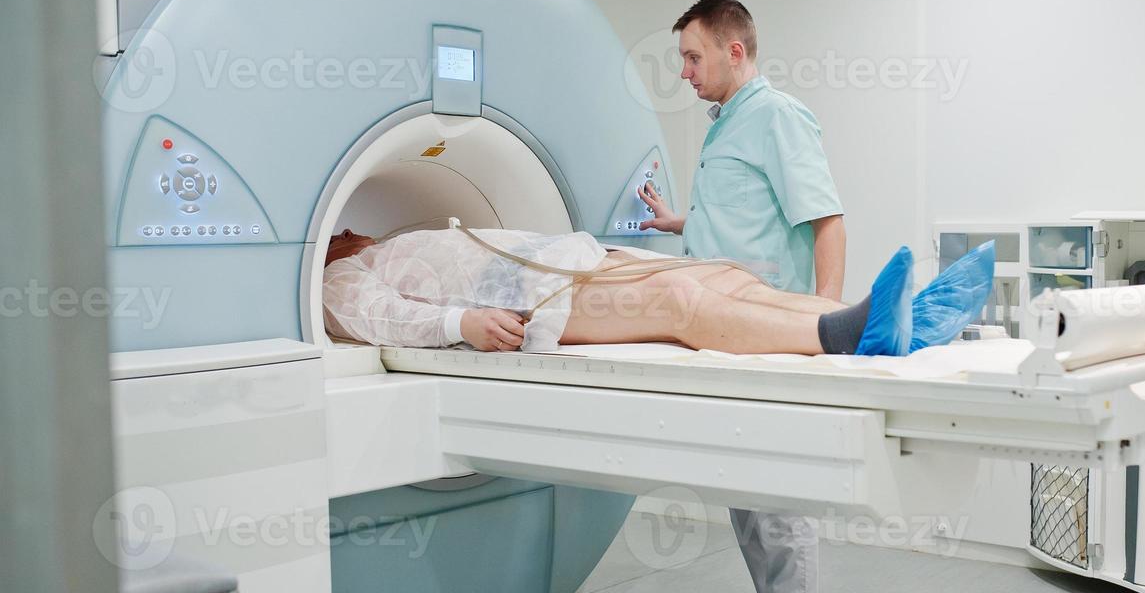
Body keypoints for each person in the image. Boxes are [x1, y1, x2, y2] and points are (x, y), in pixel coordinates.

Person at [634, 0, 850, 593]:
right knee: (742, 493)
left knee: (778, 503)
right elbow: (739, 220)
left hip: (770, 335)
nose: (685, 73)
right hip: (723, 336)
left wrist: (820, 322)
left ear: (735, 50)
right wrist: (678, 222)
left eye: (693, 58)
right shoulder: (728, 124)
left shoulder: (777, 116)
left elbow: (825, 222)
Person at [319, 225, 916, 358]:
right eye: (334, 230)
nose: (346, 227)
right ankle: (836, 336)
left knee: (724, 276)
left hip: (573, 260)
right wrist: (461, 326)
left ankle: (873, 319)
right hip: (537, 297)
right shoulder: (338, 276)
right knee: (679, 302)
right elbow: (380, 317)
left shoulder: (386, 241)